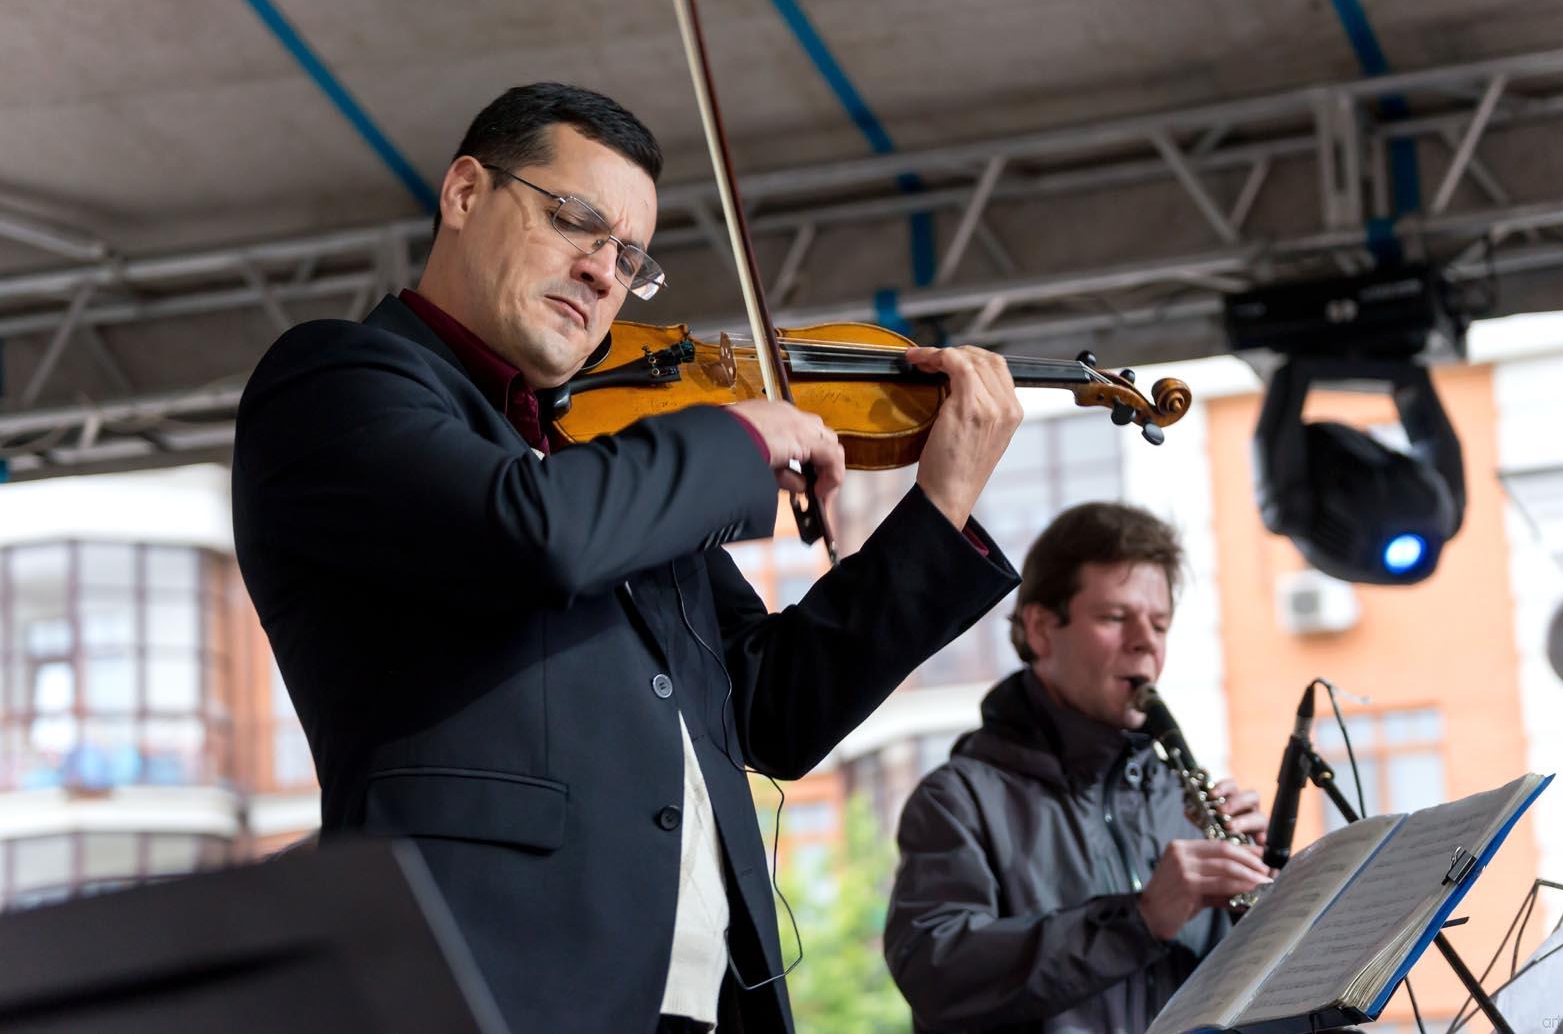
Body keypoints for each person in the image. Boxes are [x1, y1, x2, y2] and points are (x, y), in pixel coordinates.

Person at [230, 83, 1023, 1033]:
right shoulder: (339, 381)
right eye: (577, 222)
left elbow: (771, 710)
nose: (604, 273)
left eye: (631, 257)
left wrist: (939, 506)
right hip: (497, 983)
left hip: (702, 1003)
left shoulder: (604, 463)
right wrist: (731, 433)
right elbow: (529, 535)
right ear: (466, 192)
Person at [883, 502, 1272, 1033]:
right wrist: (1137, 922)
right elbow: (936, 974)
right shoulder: (958, 799)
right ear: (1041, 629)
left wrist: (1266, 902)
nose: (1146, 641)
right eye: (1116, 617)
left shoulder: (1179, 801)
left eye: (1159, 623)